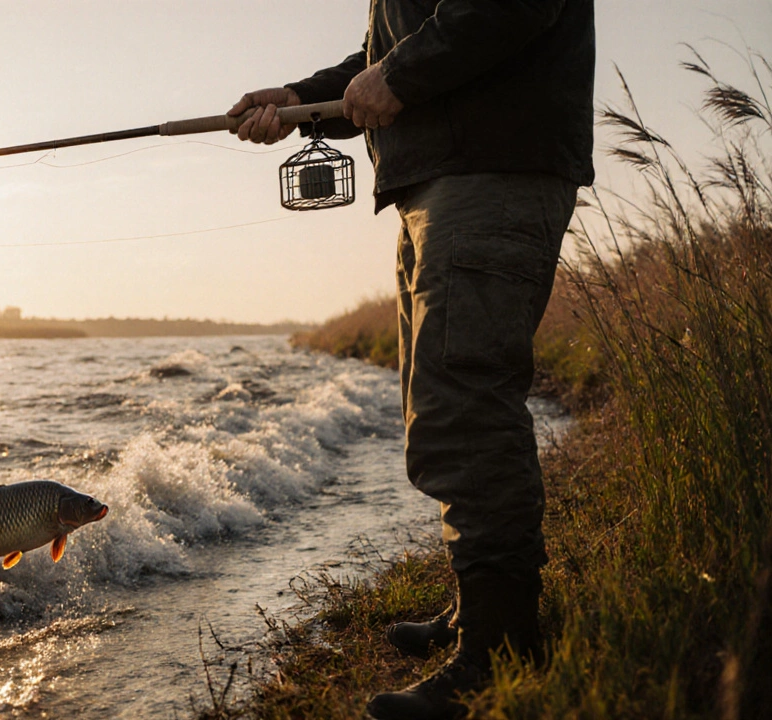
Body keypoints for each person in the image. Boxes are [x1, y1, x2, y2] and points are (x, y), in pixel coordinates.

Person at [229, 2, 594, 718]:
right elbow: (389, 49)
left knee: (465, 406)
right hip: (435, 181)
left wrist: (401, 73)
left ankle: (502, 649)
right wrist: (303, 100)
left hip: (488, 171)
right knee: (440, 405)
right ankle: (475, 612)